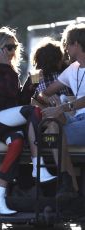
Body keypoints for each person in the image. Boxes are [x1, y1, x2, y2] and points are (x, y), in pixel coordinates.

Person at [0, 26, 55, 215]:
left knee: (17, 142)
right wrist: (4, 65)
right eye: (8, 47)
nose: (12, 51)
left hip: (7, 124)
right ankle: (39, 165)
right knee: (32, 111)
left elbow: (19, 102)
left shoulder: (10, 71)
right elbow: (0, 100)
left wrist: (31, 83)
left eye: (14, 47)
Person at [37, 23, 85, 195]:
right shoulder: (72, 69)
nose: (64, 49)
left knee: (54, 135)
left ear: (76, 45)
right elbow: (45, 92)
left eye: (66, 45)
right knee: (51, 126)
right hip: (77, 120)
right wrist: (39, 85)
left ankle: (69, 184)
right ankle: (69, 183)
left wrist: (63, 107)